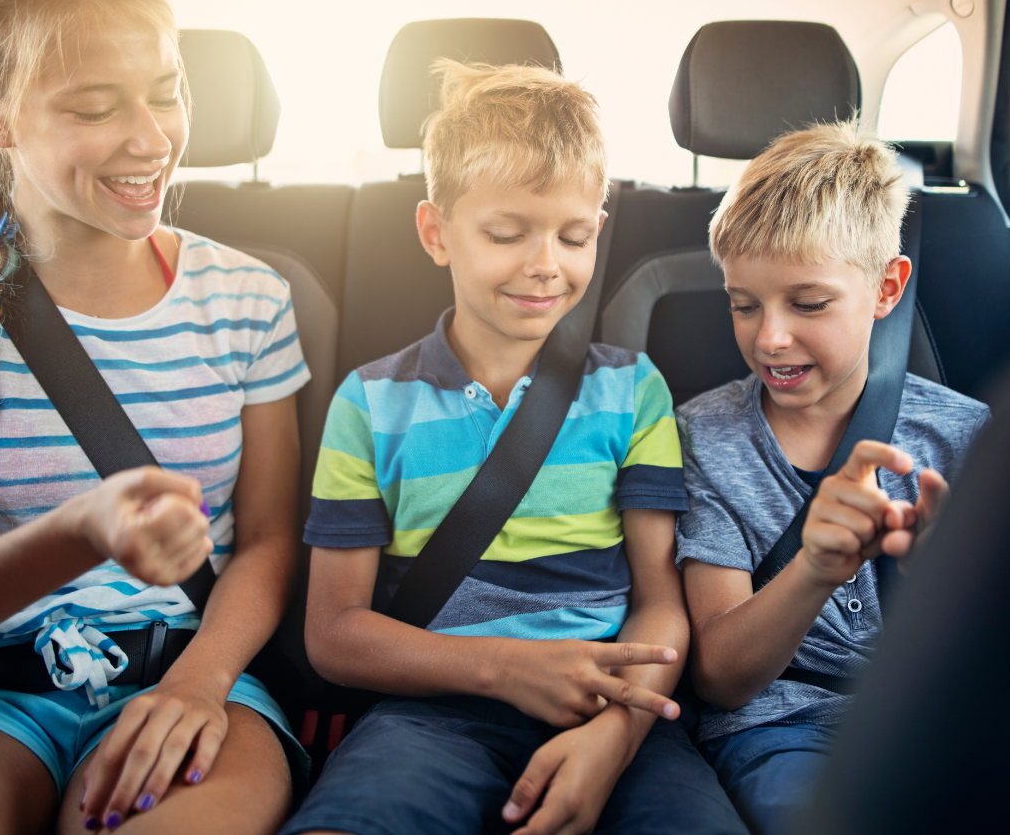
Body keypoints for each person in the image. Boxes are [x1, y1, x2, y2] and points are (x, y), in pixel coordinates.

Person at [282, 61, 745, 835]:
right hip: (432, 716)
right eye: (506, 234)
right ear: (437, 233)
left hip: (613, 708)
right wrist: (506, 668)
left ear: (598, 230)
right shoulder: (370, 403)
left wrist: (613, 737)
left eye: (571, 236)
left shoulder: (633, 390)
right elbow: (332, 634)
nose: (545, 265)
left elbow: (662, 605)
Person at [0, 0, 310, 833]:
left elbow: (264, 540)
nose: (153, 139)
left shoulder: (248, 299)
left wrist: (200, 683)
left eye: (169, 92)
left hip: (192, 668)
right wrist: (75, 535)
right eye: (97, 108)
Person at [676, 120, 991, 835]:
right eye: (742, 304)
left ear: (886, 288)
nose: (769, 337)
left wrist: (955, 574)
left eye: (808, 303)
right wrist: (815, 567)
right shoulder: (704, 439)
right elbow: (721, 678)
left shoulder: (964, 434)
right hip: (781, 726)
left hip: (943, 715)